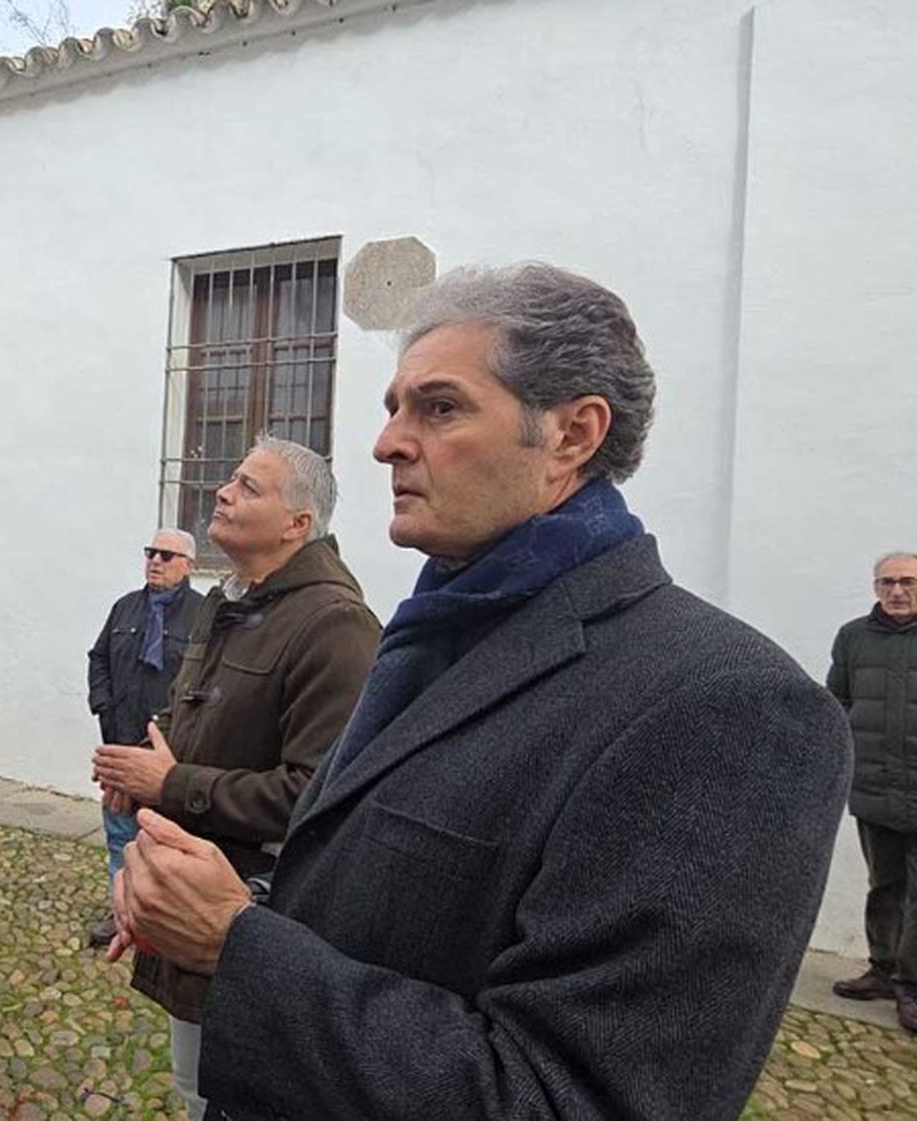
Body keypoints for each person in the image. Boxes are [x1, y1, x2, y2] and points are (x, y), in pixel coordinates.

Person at [110, 264, 853, 1120]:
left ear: (572, 434)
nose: (388, 442)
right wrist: (230, 905)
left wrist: (238, 946)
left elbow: (574, 1096)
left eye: (439, 407)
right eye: (393, 407)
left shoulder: (728, 708)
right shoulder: (439, 628)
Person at [93, 437, 380, 1121]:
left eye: (249, 486)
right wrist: (143, 774)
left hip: (255, 918)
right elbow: (196, 725)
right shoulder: (239, 602)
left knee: (226, 1095)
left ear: (298, 523)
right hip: (191, 898)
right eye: (230, 478)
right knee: (194, 1085)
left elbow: (316, 798)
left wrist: (172, 782)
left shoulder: (334, 624)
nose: (222, 493)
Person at [85, 528, 204, 946]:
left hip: (168, 751)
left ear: (188, 565)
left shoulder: (203, 615)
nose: (156, 561)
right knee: (119, 831)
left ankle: (164, 914)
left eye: (167, 556)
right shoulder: (125, 608)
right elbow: (98, 658)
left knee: (164, 835)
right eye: (151, 552)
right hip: (120, 739)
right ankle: (124, 912)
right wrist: (103, 703)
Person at [828, 551, 917, 1033]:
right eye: (887, 582)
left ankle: (912, 986)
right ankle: (882, 970)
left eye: (907, 581)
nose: (897, 591)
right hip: (876, 784)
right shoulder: (854, 637)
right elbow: (837, 700)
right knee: (884, 885)